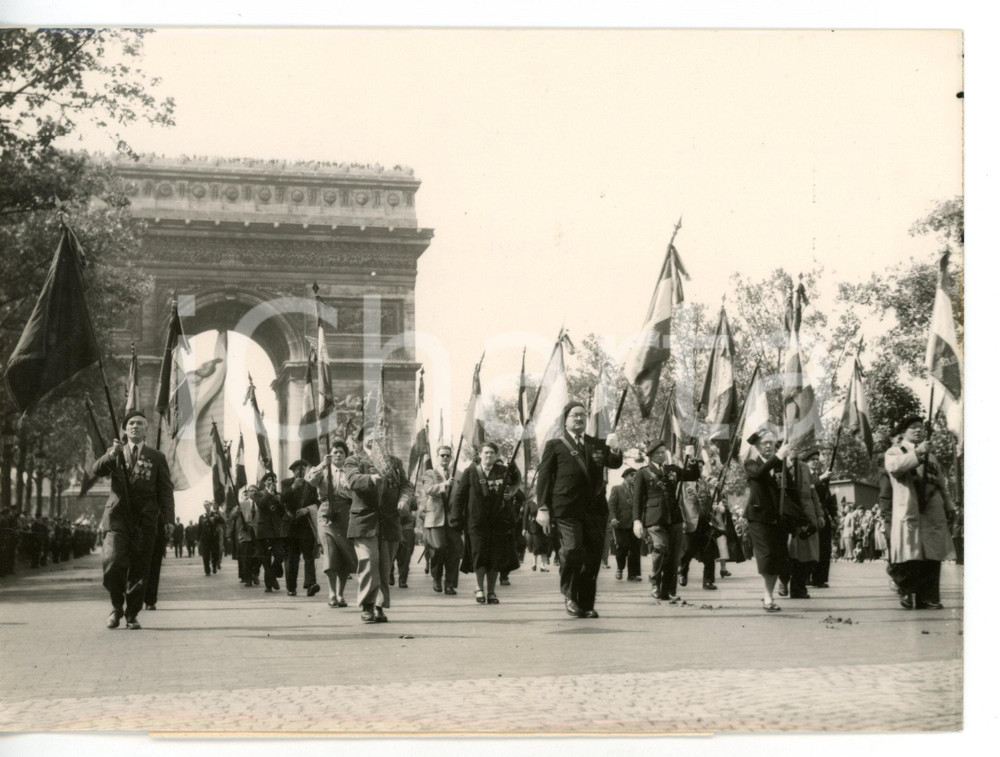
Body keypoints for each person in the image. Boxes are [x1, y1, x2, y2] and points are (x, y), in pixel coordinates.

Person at [536, 401, 622, 618]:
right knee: (573, 550)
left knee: (592, 557)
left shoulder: (596, 444)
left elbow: (613, 462)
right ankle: (569, 595)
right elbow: (544, 478)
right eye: (575, 415)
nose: (579, 419)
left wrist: (615, 448)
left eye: (583, 415)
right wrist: (543, 508)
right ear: (565, 419)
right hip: (566, 508)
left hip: (594, 509)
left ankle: (586, 604)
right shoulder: (555, 445)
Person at [91, 410, 175, 630]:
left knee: (140, 568)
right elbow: (96, 470)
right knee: (112, 562)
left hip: (145, 520)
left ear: (146, 429)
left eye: (139, 423)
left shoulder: (157, 457)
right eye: (131, 424)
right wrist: (110, 454)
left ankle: (131, 614)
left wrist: (168, 519)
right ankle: (116, 606)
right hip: (118, 518)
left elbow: (165, 491)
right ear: (125, 429)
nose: (135, 426)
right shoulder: (116, 453)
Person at [885, 415, 957, 610]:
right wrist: (917, 453)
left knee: (932, 556)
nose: (918, 430)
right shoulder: (894, 451)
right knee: (910, 555)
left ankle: (929, 597)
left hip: (932, 510)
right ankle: (908, 593)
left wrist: (949, 505)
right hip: (910, 507)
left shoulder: (932, 457)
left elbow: (941, 483)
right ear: (903, 433)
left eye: (920, 427)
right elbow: (895, 468)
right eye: (913, 428)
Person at [346, 424, 412, 623]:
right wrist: (370, 478)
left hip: (389, 522)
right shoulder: (354, 460)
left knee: (384, 566)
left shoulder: (395, 462)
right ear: (362, 439)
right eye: (370, 434)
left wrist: (404, 499)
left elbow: (406, 485)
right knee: (369, 561)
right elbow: (351, 480)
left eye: (379, 434)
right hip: (364, 521)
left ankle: (378, 606)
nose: (375, 437)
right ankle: (366, 604)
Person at [743, 429, 812, 613]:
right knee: (766, 557)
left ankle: (769, 596)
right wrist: (778, 458)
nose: (768, 446)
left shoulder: (780, 465)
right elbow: (758, 475)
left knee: (778, 558)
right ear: (757, 446)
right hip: (758, 517)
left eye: (771, 443)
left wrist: (803, 516)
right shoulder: (751, 463)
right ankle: (767, 596)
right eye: (764, 443)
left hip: (778, 517)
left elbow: (791, 491)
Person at [449, 441, 521, 605]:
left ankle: (491, 592)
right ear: (480, 455)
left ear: (496, 456)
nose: (489, 456)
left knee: (494, 557)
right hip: (476, 521)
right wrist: (456, 518)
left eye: (492, 453)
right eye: (486, 453)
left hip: (498, 521)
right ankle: (479, 588)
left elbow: (516, 481)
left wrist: (511, 493)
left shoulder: (503, 471)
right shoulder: (470, 472)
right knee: (479, 554)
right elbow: (459, 497)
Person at [632, 440, 701, 603]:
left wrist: (691, 458)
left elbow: (693, 475)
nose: (661, 455)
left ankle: (669, 590)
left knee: (674, 555)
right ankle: (655, 583)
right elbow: (637, 500)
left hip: (674, 517)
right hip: (654, 517)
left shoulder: (672, 470)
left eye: (663, 452)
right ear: (650, 455)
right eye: (657, 453)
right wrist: (636, 521)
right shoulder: (643, 473)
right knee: (660, 547)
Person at [306, 441, 357, 607]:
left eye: (341, 452)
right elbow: (310, 480)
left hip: (345, 513)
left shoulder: (350, 472)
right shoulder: (323, 470)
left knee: (344, 555)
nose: (338, 455)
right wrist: (322, 465)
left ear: (345, 455)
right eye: (335, 452)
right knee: (330, 552)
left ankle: (341, 594)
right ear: (330, 454)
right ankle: (331, 593)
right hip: (326, 512)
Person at [778, 449, 824, 599]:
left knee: (809, 556)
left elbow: (813, 494)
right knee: (791, 555)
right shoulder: (780, 465)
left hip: (808, 515)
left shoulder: (804, 468)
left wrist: (819, 514)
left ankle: (799, 587)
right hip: (790, 515)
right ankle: (784, 582)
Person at [420, 446, 463, 595]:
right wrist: (443, 485)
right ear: (437, 457)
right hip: (435, 518)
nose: (445, 458)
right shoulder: (429, 473)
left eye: (448, 456)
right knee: (438, 548)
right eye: (442, 455)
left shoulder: (458, 474)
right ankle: (436, 577)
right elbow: (428, 489)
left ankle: (450, 584)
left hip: (453, 519)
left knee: (454, 552)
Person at [678, 454, 720, 591]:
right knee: (688, 551)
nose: (700, 469)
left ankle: (707, 581)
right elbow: (679, 503)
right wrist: (682, 520)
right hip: (690, 521)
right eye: (697, 467)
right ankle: (682, 572)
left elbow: (709, 499)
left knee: (710, 551)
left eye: (701, 467)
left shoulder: (704, 482)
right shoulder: (683, 482)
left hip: (705, 521)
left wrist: (714, 494)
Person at [281, 459, 321, 597]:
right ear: (293, 471)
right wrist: (293, 487)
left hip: (305, 525)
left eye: (303, 469)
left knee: (309, 556)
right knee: (292, 558)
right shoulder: (286, 483)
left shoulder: (310, 486)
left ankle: (310, 585)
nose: (301, 471)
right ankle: (291, 587)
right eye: (298, 469)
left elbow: (317, 502)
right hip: (291, 526)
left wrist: (307, 510)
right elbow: (283, 499)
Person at [807, 450, 837, 588]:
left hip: (822, 515)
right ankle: (806, 576)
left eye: (816, 459)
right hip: (809, 514)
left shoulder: (821, 477)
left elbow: (828, 499)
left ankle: (819, 578)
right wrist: (822, 478)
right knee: (809, 548)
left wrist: (834, 514)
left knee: (825, 548)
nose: (815, 461)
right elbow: (806, 487)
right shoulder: (805, 475)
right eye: (812, 459)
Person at [253, 471, 286, 593]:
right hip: (264, 531)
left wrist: (279, 501)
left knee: (280, 555)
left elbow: (283, 512)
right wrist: (270, 494)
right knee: (266, 559)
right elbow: (261, 505)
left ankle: (271, 577)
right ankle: (269, 584)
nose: (272, 482)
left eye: (274, 480)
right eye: (269, 480)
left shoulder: (280, 495)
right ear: (264, 482)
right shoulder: (259, 494)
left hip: (277, 531)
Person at [608, 467, 641, 581]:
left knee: (635, 548)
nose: (634, 477)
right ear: (625, 476)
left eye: (635, 475)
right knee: (622, 547)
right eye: (632, 475)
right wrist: (613, 518)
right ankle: (620, 568)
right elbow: (611, 505)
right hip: (621, 523)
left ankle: (633, 574)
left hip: (636, 523)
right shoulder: (617, 489)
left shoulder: (638, 489)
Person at [234, 486, 259, 587]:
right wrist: (237, 513)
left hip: (257, 533)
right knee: (246, 558)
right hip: (245, 534)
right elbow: (234, 517)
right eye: (251, 491)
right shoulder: (242, 504)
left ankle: (255, 573)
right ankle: (248, 579)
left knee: (258, 557)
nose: (253, 493)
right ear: (248, 493)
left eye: (255, 491)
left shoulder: (260, 503)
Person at [522, 489, 551, 572]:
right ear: (535, 494)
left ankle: (543, 566)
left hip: (545, 525)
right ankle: (534, 563)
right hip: (534, 526)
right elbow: (525, 516)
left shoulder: (545, 502)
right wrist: (524, 528)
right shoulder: (530, 503)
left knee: (545, 544)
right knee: (537, 544)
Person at [197, 501, 223, 575]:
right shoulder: (201, 517)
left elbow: (223, 521)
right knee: (205, 555)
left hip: (214, 538)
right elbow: (199, 529)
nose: (206, 506)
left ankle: (214, 565)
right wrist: (197, 539)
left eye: (207, 505)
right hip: (204, 539)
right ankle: (207, 571)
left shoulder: (215, 514)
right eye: (205, 505)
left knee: (215, 554)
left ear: (210, 505)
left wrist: (217, 517)